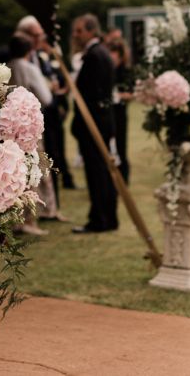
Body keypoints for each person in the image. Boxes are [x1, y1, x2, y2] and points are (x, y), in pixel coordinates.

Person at [7, 34, 61, 234]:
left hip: (8, 129)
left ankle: (15, 218)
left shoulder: (6, 68)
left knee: (13, 173)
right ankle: (31, 220)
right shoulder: (29, 69)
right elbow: (46, 98)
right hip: (29, 129)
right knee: (35, 172)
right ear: (29, 51)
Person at [70, 14, 118, 233]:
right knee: (102, 171)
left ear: (90, 31)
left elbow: (88, 95)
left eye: (79, 31)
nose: (75, 35)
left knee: (97, 172)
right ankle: (107, 218)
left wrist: (80, 123)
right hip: (103, 120)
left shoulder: (94, 56)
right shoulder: (102, 53)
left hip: (94, 124)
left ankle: (100, 220)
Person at [16, 16, 75, 193]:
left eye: (41, 35)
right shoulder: (17, 58)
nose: (39, 40)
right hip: (28, 120)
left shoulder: (40, 57)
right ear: (23, 35)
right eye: (35, 35)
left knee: (53, 156)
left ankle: (53, 203)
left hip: (50, 116)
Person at [106, 38, 133, 185]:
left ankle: (124, 179)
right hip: (109, 112)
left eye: (114, 53)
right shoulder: (107, 69)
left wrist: (117, 95)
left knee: (121, 146)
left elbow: (131, 93)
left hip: (120, 113)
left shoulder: (125, 71)